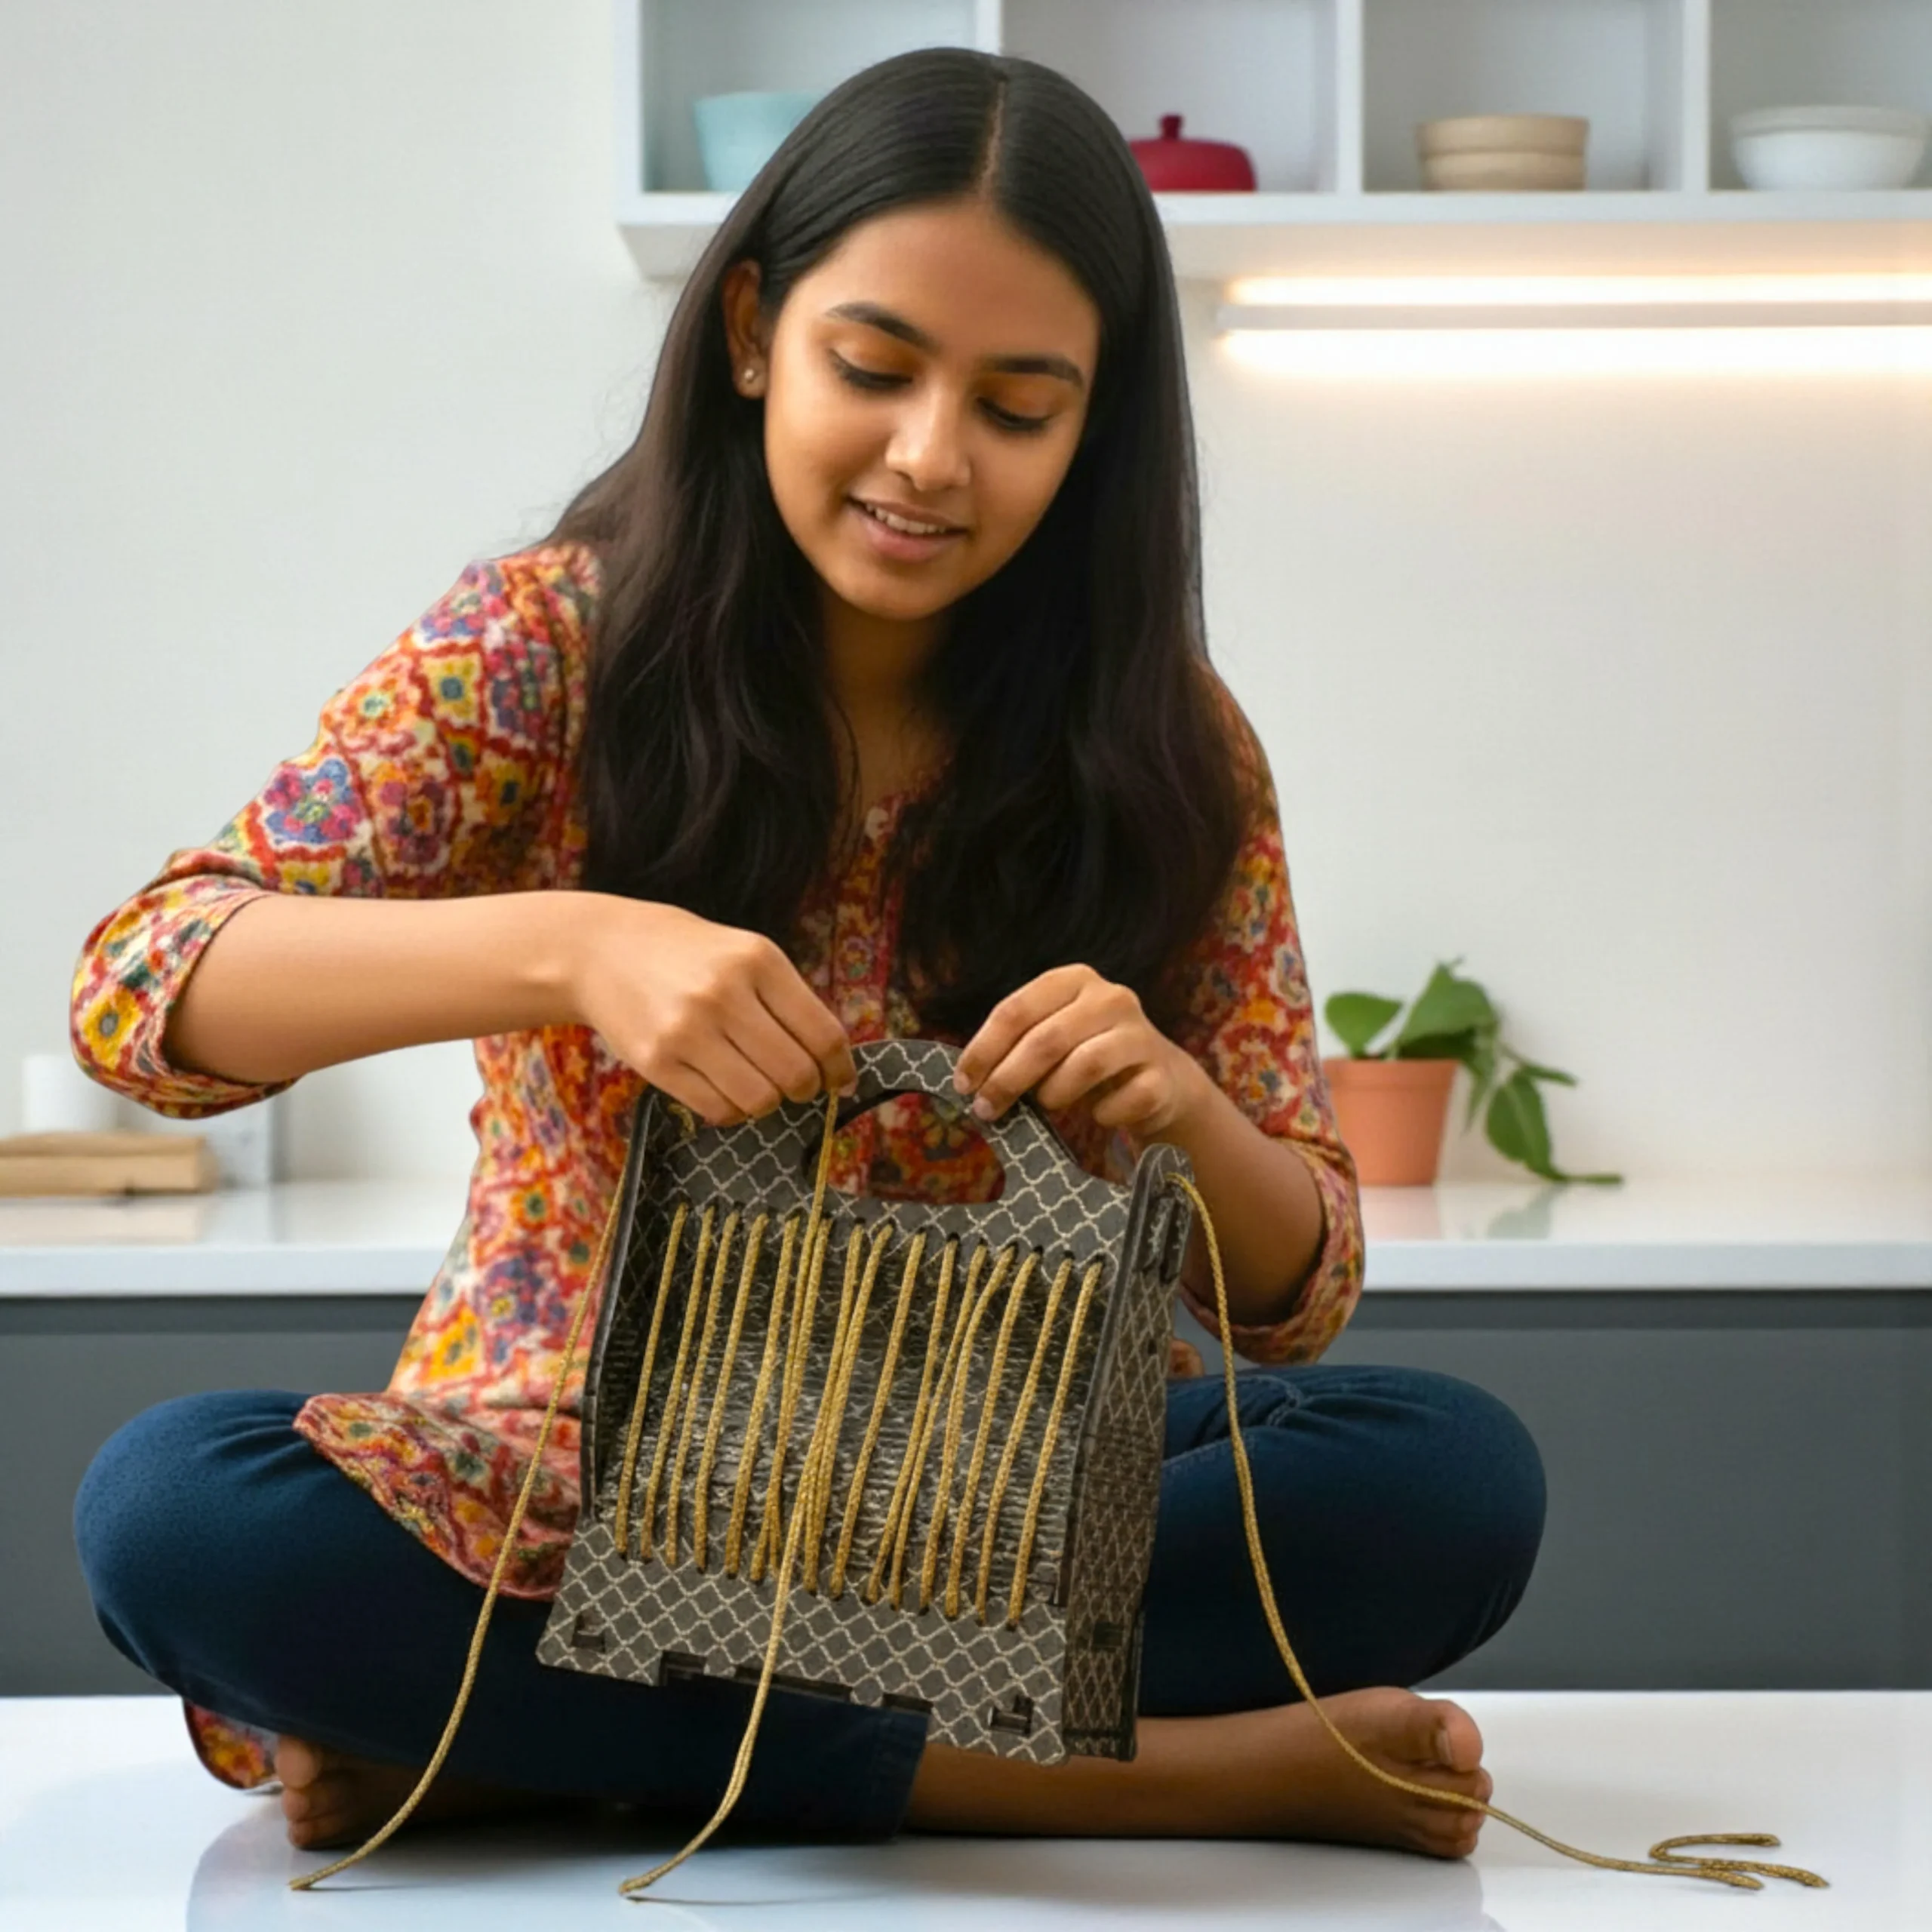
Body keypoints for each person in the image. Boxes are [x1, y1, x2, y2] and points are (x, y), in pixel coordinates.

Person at [70, 47, 1543, 1870]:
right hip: (574, 1487)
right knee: (177, 1517)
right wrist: (570, 946)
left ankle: (535, 1745)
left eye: (1018, 405)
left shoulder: (1170, 736)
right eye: (874, 367)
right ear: (757, 329)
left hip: (1005, 1497)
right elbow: (146, 984)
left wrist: (1179, 1115)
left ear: (1097, 425)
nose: (931, 456)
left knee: (1452, 1479)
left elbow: (1298, 1283)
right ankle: (1147, 1774)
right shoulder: (544, 646)